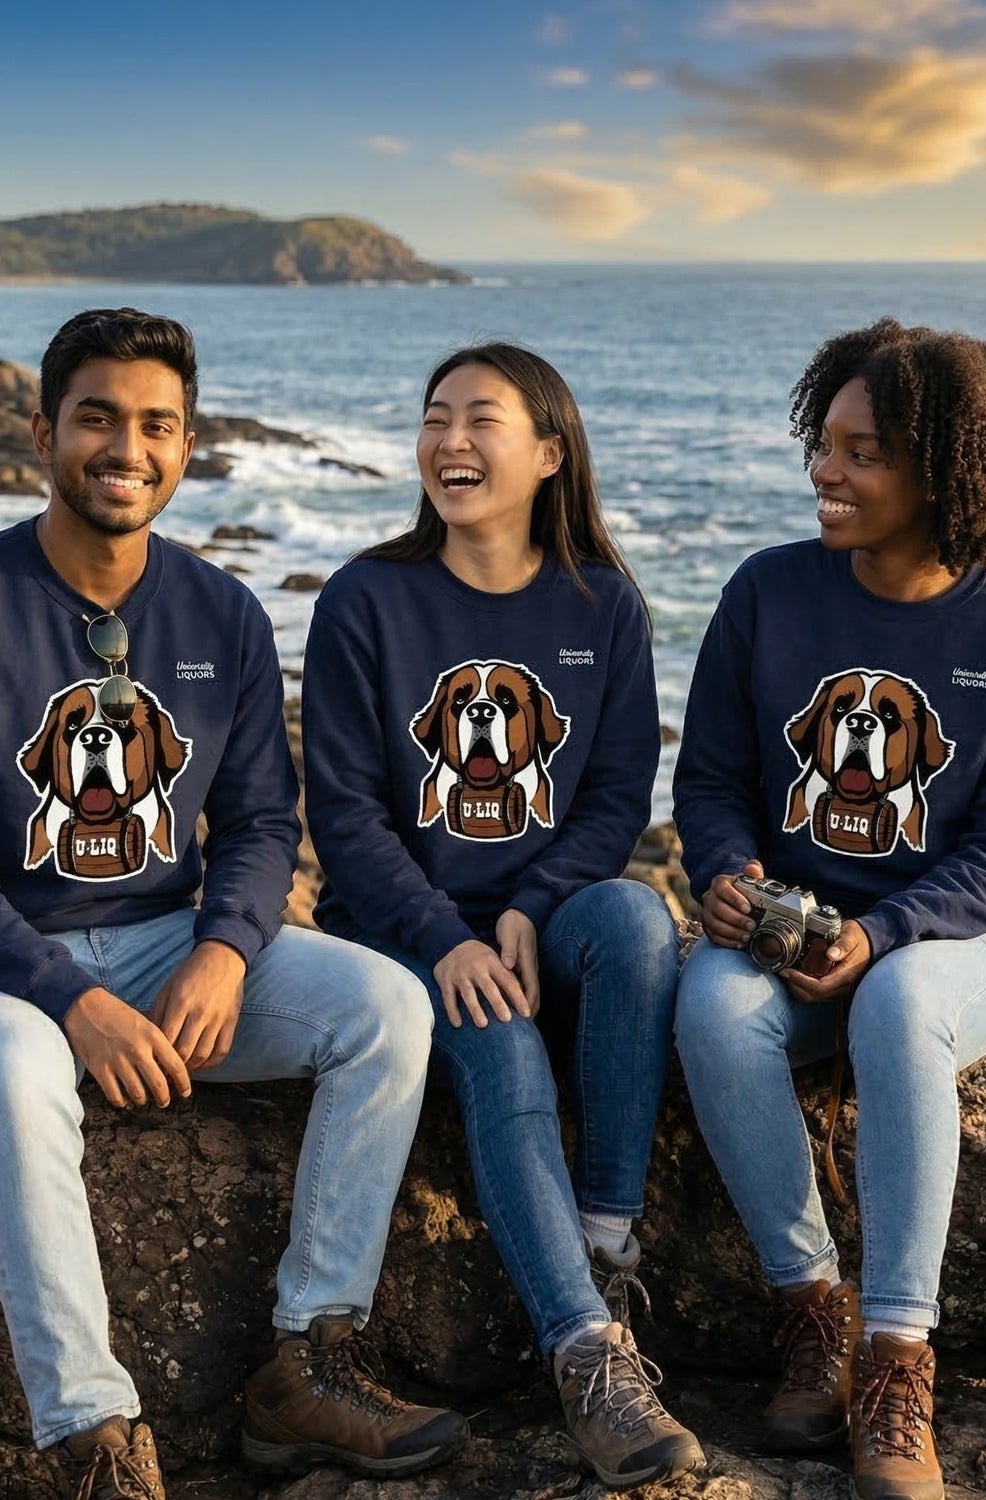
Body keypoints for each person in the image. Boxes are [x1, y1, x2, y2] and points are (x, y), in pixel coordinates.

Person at [0, 308, 468, 1500]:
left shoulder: (223, 613)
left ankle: (308, 1364)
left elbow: (258, 823)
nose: (126, 448)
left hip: (163, 941)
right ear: (44, 432)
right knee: (23, 1077)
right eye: (97, 418)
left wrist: (227, 950)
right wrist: (71, 1001)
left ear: (187, 446)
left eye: (156, 425)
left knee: (388, 1007)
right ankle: (91, 1438)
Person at [673, 318, 986, 1500]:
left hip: (946, 945)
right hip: (786, 934)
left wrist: (879, 934)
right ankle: (813, 1311)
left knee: (897, 1005)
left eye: (864, 454)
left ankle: (898, 1357)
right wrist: (729, 874)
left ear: (944, 475)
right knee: (711, 1007)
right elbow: (710, 779)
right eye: (825, 444)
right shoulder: (767, 591)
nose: (826, 473)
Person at [302, 342, 704, 1491]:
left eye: (482, 419)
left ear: (549, 453)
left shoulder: (603, 605)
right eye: (436, 417)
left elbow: (618, 798)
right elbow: (345, 815)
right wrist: (445, 938)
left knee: (636, 923)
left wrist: (532, 903)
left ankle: (604, 1250)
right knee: (501, 1040)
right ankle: (586, 1358)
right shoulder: (366, 599)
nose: (451, 441)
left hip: (545, 923)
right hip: (402, 933)